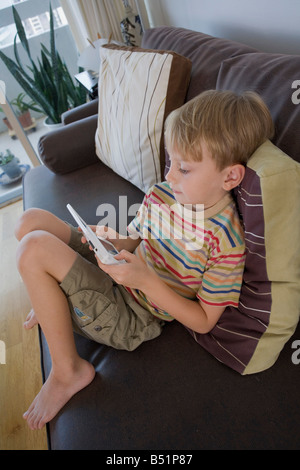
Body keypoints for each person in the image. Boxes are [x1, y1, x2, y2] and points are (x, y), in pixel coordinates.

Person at [15, 90, 274, 430]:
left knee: (34, 248)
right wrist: (106, 236)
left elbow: (203, 321)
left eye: (183, 168)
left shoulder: (225, 241)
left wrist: (145, 281)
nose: (170, 176)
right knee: (30, 221)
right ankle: (48, 290)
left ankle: (69, 372)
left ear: (230, 177)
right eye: (170, 162)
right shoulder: (165, 194)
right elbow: (134, 239)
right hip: (120, 269)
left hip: (133, 311)